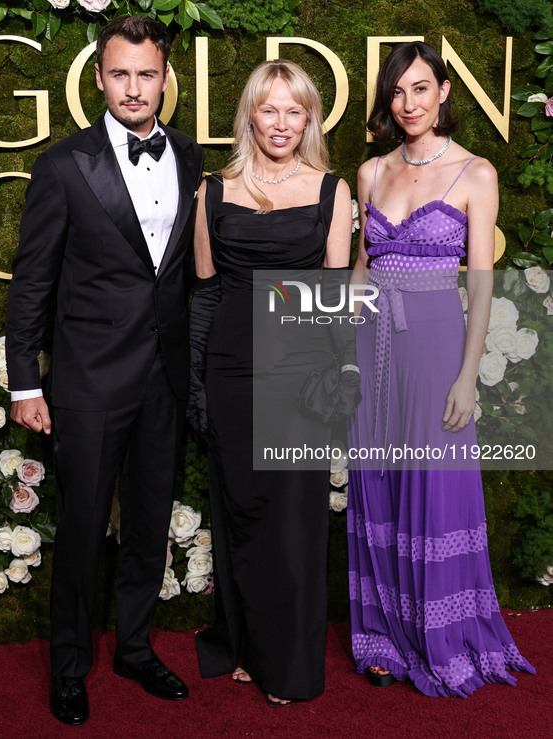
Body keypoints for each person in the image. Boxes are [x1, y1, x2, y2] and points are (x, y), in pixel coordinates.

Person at [5, 16, 204, 725]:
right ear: (98, 77)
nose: (133, 88)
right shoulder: (63, 166)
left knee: (149, 521)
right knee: (85, 524)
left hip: (163, 375)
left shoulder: (186, 154)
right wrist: (26, 381)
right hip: (88, 377)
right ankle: (68, 664)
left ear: (163, 78)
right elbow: (31, 283)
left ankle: (136, 646)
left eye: (146, 74)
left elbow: (185, 275)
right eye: (119, 73)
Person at [347, 41, 534, 696]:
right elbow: (362, 268)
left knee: (433, 488)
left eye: (420, 88)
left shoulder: (475, 173)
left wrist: (465, 374)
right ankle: (381, 637)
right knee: (377, 484)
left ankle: (441, 635)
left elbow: (480, 285)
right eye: (397, 92)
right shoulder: (369, 174)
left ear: (444, 90)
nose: (408, 103)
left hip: (434, 349)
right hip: (373, 349)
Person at [188, 60, 356, 706]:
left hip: (301, 377)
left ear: (308, 117)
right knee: (241, 513)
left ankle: (286, 666)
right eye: (269, 109)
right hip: (231, 369)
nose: (280, 123)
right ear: (250, 116)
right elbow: (203, 295)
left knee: (293, 523)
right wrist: (200, 383)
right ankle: (244, 646)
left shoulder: (330, 191)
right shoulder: (214, 190)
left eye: (294, 110)